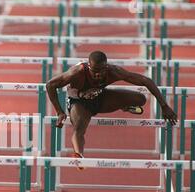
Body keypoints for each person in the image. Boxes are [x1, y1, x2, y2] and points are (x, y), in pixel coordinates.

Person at [46, 50, 177, 163]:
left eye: (101, 71)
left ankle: (124, 106)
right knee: (79, 129)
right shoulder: (77, 72)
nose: (98, 75)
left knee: (140, 99)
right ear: (88, 66)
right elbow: (50, 85)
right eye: (94, 72)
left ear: (106, 66)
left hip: (101, 98)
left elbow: (145, 81)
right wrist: (60, 112)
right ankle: (78, 155)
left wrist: (164, 106)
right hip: (79, 103)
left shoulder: (114, 71)